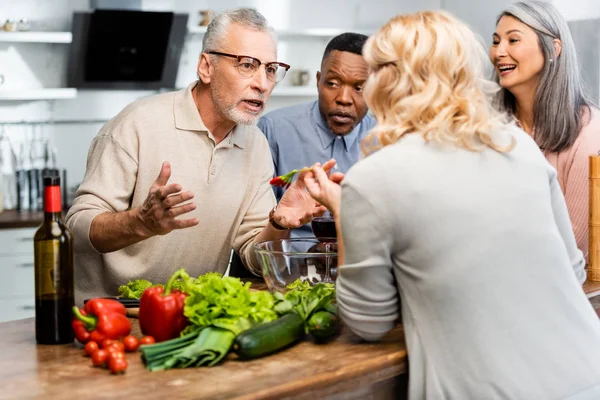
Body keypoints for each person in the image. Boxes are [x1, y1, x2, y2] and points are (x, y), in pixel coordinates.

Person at [301, 10, 600, 400]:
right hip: (586, 372)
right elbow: (573, 270)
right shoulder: (519, 146)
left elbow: (367, 321)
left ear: (388, 80)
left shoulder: (373, 178)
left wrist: (342, 210)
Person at [65, 8, 332, 304]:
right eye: (247, 65)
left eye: (271, 69)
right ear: (206, 67)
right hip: (110, 314)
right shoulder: (137, 123)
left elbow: (255, 259)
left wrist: (279, 223)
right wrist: (141, 222)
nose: (263, 83)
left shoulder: (255, 144)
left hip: (190, 313)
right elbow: (77, 229)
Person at [490, 1, 600, 260]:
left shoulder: (589, 130)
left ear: (553, 49)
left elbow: (573, 243)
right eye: (495, 41)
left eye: (513, 40)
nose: (499, 52)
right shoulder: (487, 124)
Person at [257, 32, 375, 237]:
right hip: (289, 263)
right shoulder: (274, 129)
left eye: (359, 87)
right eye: (333, 83)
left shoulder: (386, 140)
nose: (344, 99)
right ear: (318, 81)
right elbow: (255, 225)